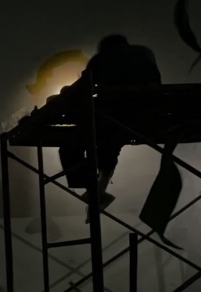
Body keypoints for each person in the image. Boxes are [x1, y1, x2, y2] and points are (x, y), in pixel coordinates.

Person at [59, 34, 162, 210]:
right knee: (110, 141)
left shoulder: (102, 58)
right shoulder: (145, 52)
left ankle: (92, 188)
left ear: (104, 47)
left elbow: (82, 87)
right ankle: (99, 189)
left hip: (114, 115)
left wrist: (65, 92)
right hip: (149, 118)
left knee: (71, 146)